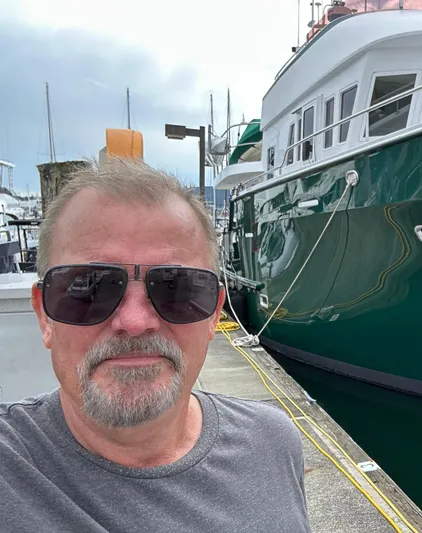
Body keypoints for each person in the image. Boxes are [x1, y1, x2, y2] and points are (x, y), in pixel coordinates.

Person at [0, 158, 312, 533]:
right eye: (90, 287)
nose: (135, 322)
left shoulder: (273, 441)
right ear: (44, 315)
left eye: (177, 288)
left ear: (214, 315)